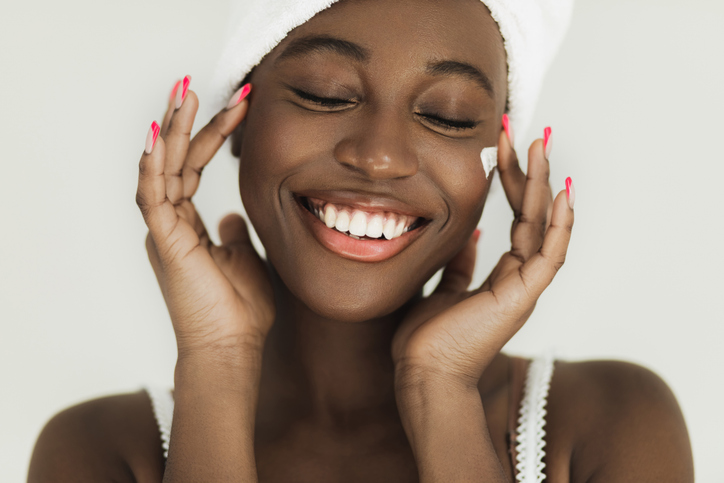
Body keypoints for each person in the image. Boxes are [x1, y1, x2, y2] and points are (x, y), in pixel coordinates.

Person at [27, 0, 694, 481]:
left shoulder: (611, 423)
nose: (378, 156)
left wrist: (443, 395)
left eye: (446, 115)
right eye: (326, 94)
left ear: (504, 165)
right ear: (237, 120)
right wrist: (217, 367)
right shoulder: (98, 450)